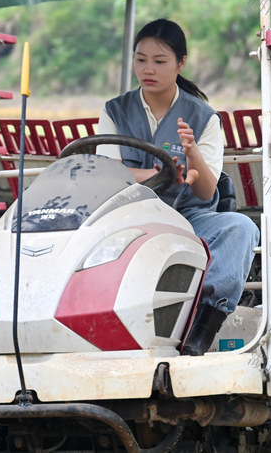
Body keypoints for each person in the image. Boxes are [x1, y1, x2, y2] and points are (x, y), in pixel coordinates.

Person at [97, 18, 260, 355]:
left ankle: (201, 326)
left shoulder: (204, 118)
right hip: (129, 220)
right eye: (141, 60)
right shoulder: (114, 111)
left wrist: (193, 153)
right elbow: (108, 175)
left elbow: (205, 191)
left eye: (159, 61)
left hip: (188, 220)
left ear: (180, 63)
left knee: (241, 228)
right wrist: (161, 175)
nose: (148, 69)